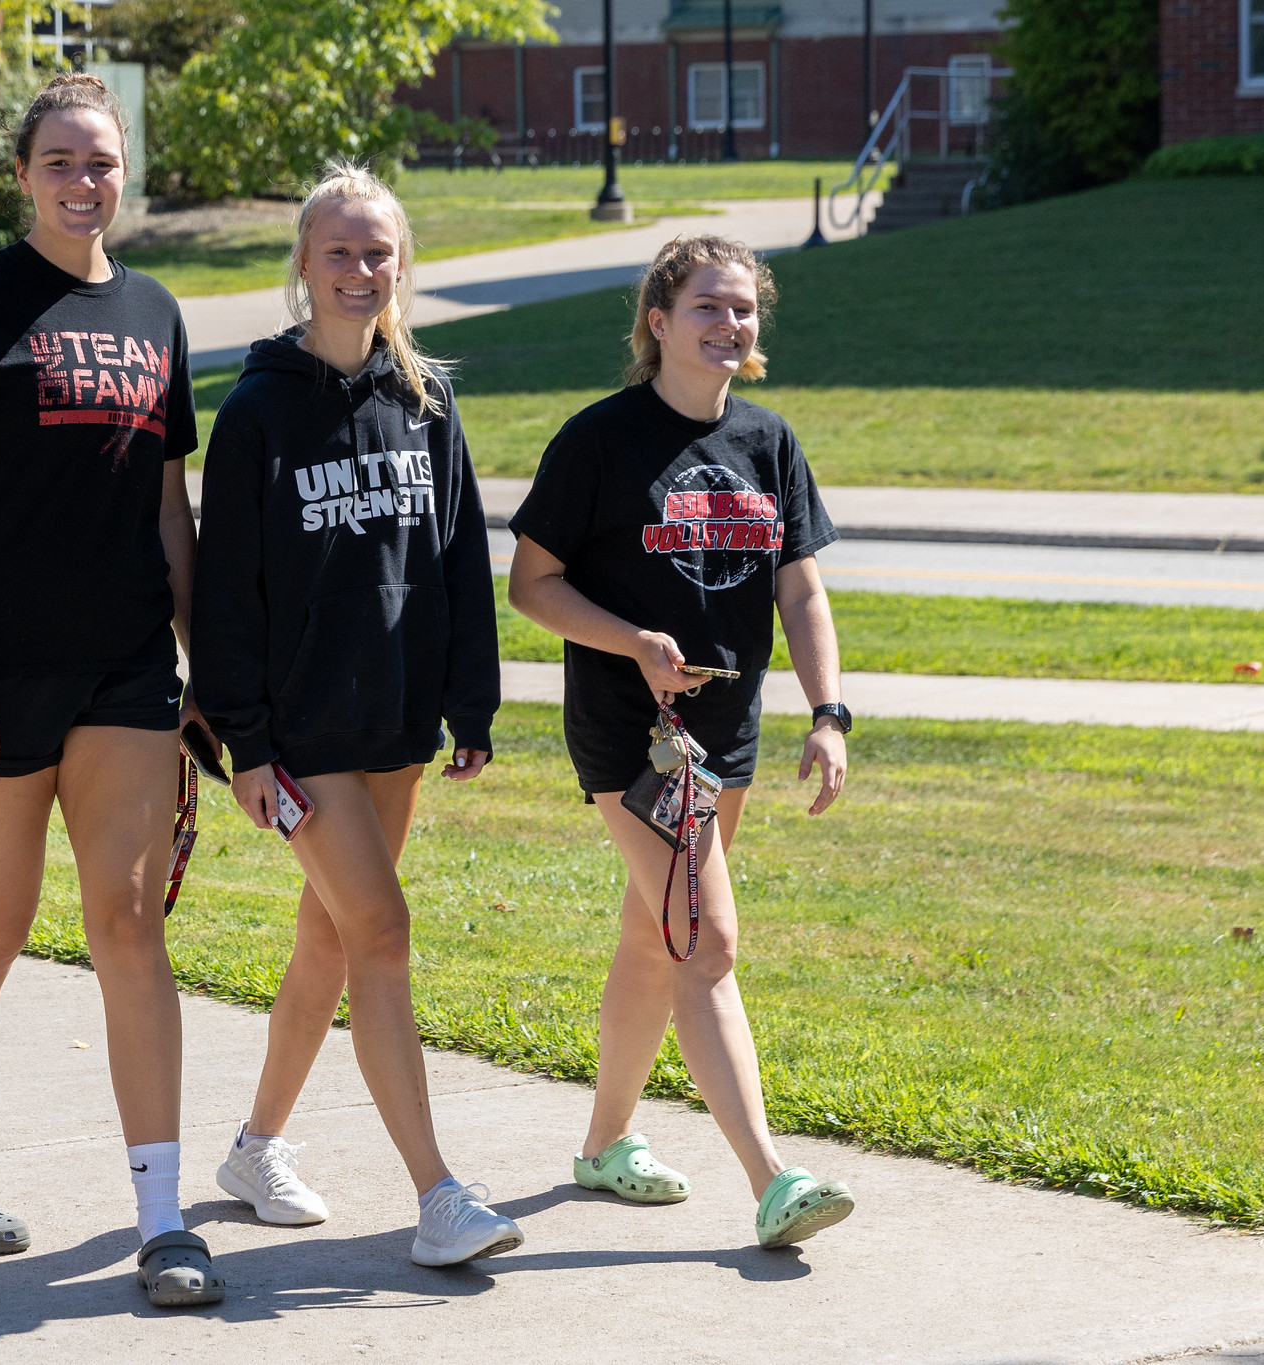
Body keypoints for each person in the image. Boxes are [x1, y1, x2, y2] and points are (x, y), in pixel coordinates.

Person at [0, 74, 220, 1308]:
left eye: (103, 163)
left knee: (129, 927)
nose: (87, 183)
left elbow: (165, 505)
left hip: (127, 666)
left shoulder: (154, 311)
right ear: (22, 176)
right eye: (63, 164)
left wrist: (200, 663)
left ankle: (161, 1213)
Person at [191, 161, 521, 1268]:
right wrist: (245, 743)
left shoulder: (425, 401)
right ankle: (438, 1196)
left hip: (395, 722)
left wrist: (470, 698)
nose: (358, 268)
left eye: (376, 250)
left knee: (327, 942)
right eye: (337, 249)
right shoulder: (255, 411)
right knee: (380, 935)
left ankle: (254, 1148)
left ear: (400, 266)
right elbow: (222, 594)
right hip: (300, 733)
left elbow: (458, 556)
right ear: (302, 263)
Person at [506, 234, 855, 1249]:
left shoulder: (767, 442)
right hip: (635, 735)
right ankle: (771, 1177)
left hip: (726, 731)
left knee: (652, 934)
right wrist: (632, 643)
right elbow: (531, 586)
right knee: (703, 939)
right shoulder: (599, 442)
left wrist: (827, 713)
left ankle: (606, 1145)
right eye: (707, 306)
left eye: (742, 309)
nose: (729, 325)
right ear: (657, 321)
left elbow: (801, 587)